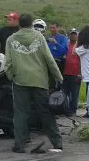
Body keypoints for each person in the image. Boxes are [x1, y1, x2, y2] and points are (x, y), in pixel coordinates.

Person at [4, 13, 63, 153]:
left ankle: (19, 145)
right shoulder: (39, 37)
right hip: (39, 81)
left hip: (20, 81)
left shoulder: (11, 40)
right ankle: (57, 143)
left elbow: (7, 63)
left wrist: (12, 76)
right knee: (46, 113)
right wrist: (58, 77)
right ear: (31, 24)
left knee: (20, 114)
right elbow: (49, 59)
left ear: (19, 24)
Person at [62, 29, 82, 116]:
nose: (73, 36)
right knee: (64, 93)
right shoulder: (66, 44)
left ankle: (73, 110)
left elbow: (82, 60)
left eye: (75, 34)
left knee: (74, 94)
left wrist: (80, 74)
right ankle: (64, 109)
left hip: (75, 73)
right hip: (65, 73)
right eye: (71, 34)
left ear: (77, 36)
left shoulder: (80, 46)